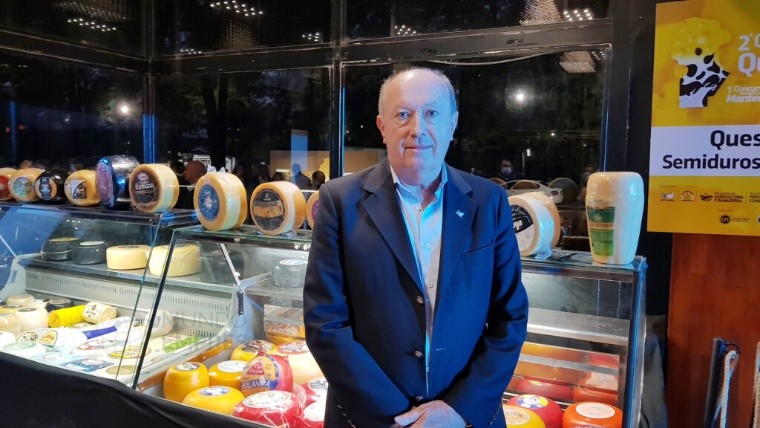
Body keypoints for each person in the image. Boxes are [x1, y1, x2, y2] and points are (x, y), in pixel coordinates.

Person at [303, 67, 529, 427]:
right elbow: (324, 322)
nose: (417, 129)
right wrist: (400, 418)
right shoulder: (339, 201)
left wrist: (460, 409)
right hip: (370, 418)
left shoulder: (490, 202)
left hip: (465, 418)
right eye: (403, 114)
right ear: (382, 126)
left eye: (432, 113)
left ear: (453, 124)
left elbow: (510, 317)